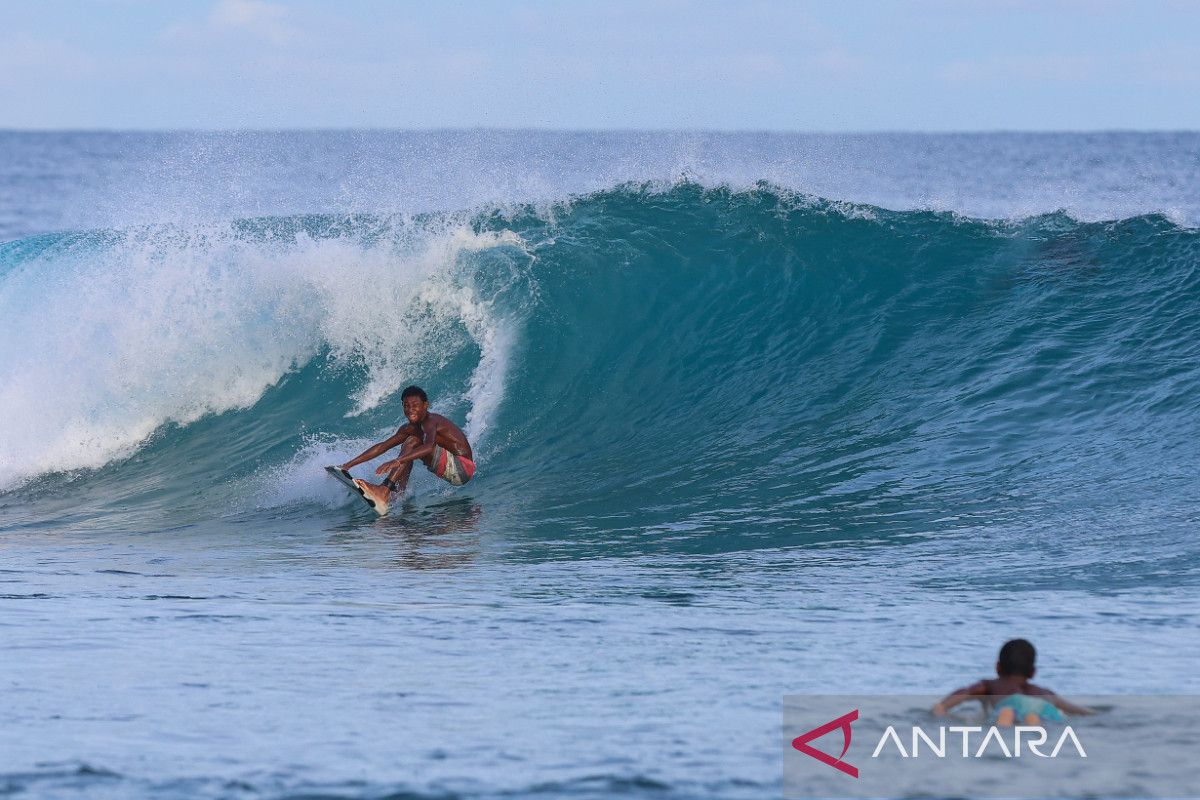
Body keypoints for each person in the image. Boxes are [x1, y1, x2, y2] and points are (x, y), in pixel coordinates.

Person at [338, 385, 475, 515]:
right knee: (408, 447)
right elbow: (383, 446)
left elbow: (429, 446)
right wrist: (348, 465)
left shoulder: (431, 421)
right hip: (452, 469)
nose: (410, 409)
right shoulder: (408, 428)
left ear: (425, 405)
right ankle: (398, 495)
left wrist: (398, 461)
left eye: (415, 405)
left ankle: (384, 490)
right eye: (406, 405)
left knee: (412, 442)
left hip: (461, 468)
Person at [931, 639, 1094, 725]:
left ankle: (1013, 720)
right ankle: (1033, 722)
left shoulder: (989, 685)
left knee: (1007, 713)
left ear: (998, 667)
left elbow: (964, 693)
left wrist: (941, 707)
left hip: (1010, 705)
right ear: (1033, 672)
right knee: (1034, 718)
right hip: (1045, 707)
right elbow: (1081, 712)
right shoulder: (1046, 693)